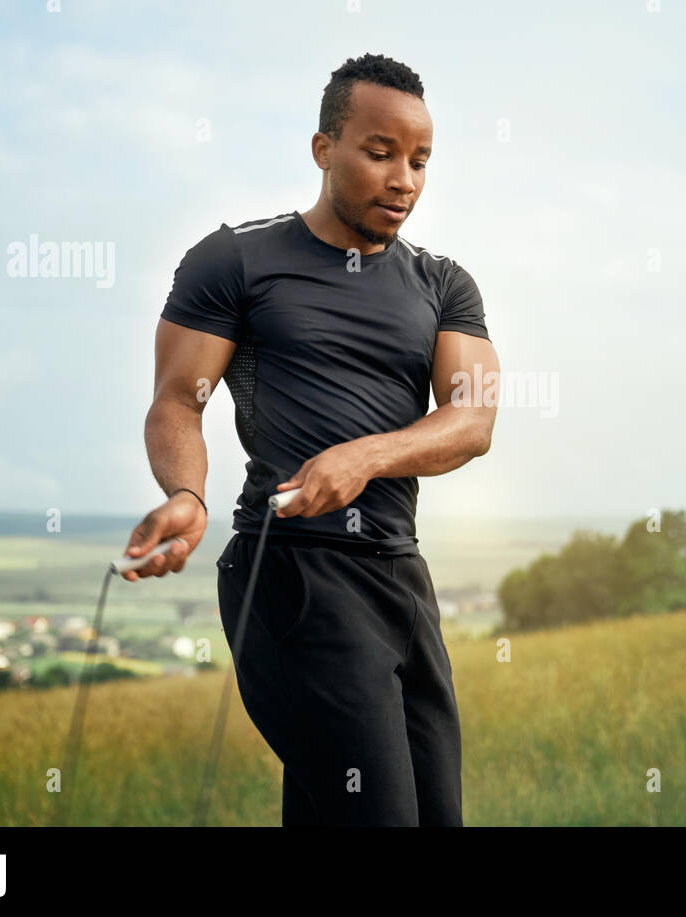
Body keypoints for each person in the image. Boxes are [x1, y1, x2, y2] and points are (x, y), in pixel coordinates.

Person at [119, 52, 499, 826]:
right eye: (380, 151)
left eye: (420, 160)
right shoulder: (236, 261)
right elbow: (176, 402)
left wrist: (366, 457)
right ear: (324, 147)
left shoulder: (444, 283)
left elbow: (472, 418)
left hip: (398, 575)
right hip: (290, 572)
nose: (404, 179)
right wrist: (186, 494)